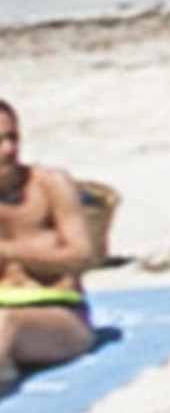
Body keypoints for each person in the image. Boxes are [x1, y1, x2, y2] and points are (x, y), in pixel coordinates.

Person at [0, 102, 108, 392]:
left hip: (58, 316)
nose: (10, 149)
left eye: (13, 137)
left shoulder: (49, 185)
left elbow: (84, 256)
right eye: (0, 141)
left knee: (4, 322)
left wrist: (10, 253)